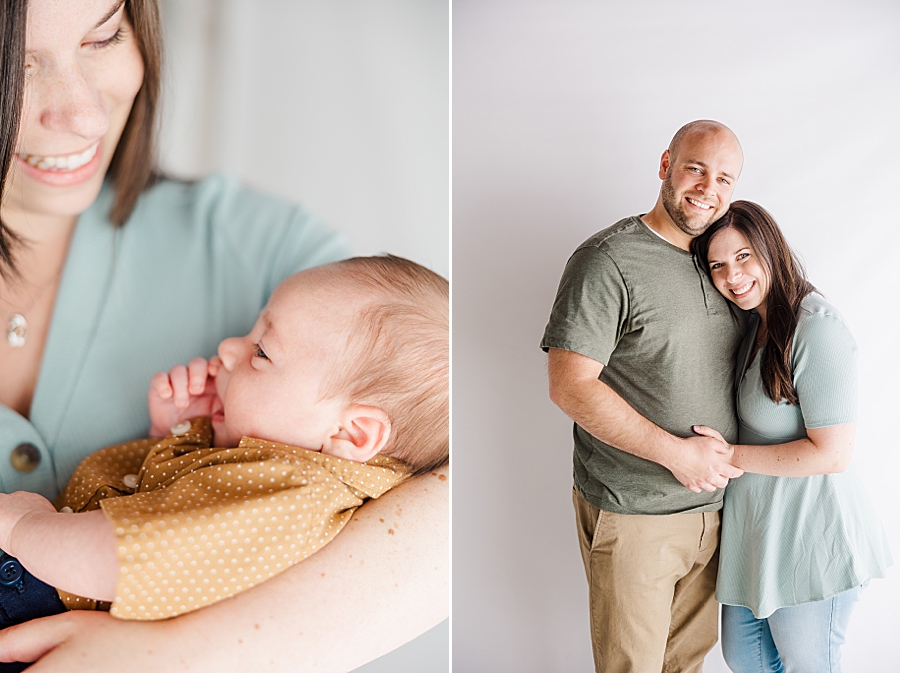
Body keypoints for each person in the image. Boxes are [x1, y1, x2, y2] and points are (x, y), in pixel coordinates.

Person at [0, 0, 447, 671]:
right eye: (17, 62)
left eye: (104, 36)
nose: (85, 114)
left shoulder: (276, 260)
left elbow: (456, 505)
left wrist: (176, 654)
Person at [0, 255, 448, 627]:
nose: (230, 347)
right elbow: (184, 512)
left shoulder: (294, 497)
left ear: (352, 433)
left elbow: (136, 559)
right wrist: (176, 436)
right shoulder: (285, 467)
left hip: (38, 594)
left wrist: (24, 529)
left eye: (262, 352)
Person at [541, 119, 746, 672]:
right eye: (696, 168)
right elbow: (569, 385)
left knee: (686, 666)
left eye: (725, 178)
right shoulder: (608, 259)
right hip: (637, 514)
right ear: (665, 165)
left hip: (718, 511)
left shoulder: (724, 262)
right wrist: (678, 454)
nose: (709, 189)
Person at [690, 201, 891, 673]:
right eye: (717, 265)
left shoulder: (816, 327)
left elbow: (834, 454)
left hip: (812, 537)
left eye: (743, 257)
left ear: (769, 249)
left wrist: (726, 456)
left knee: (808, 665)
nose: (731, 276)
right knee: (746, 659)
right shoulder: (755, 326)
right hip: (759, 537)